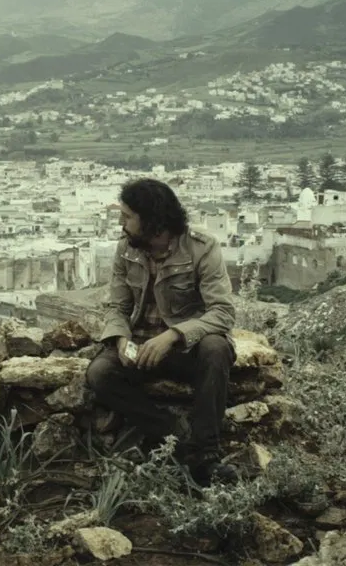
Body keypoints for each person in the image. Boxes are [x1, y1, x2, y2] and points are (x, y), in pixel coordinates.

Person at [86, 178, 238, 486]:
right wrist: (121, 339)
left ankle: (206, 455)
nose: (121, 223)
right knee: (99, 373)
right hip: (141, 345)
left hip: (186, 347)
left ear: (152, 220)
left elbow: (222, 312)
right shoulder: (126, 249)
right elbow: (117, 306)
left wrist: (173, 336)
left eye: (128, 216)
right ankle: (175, 435)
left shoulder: (201, 248)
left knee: (216, 349)